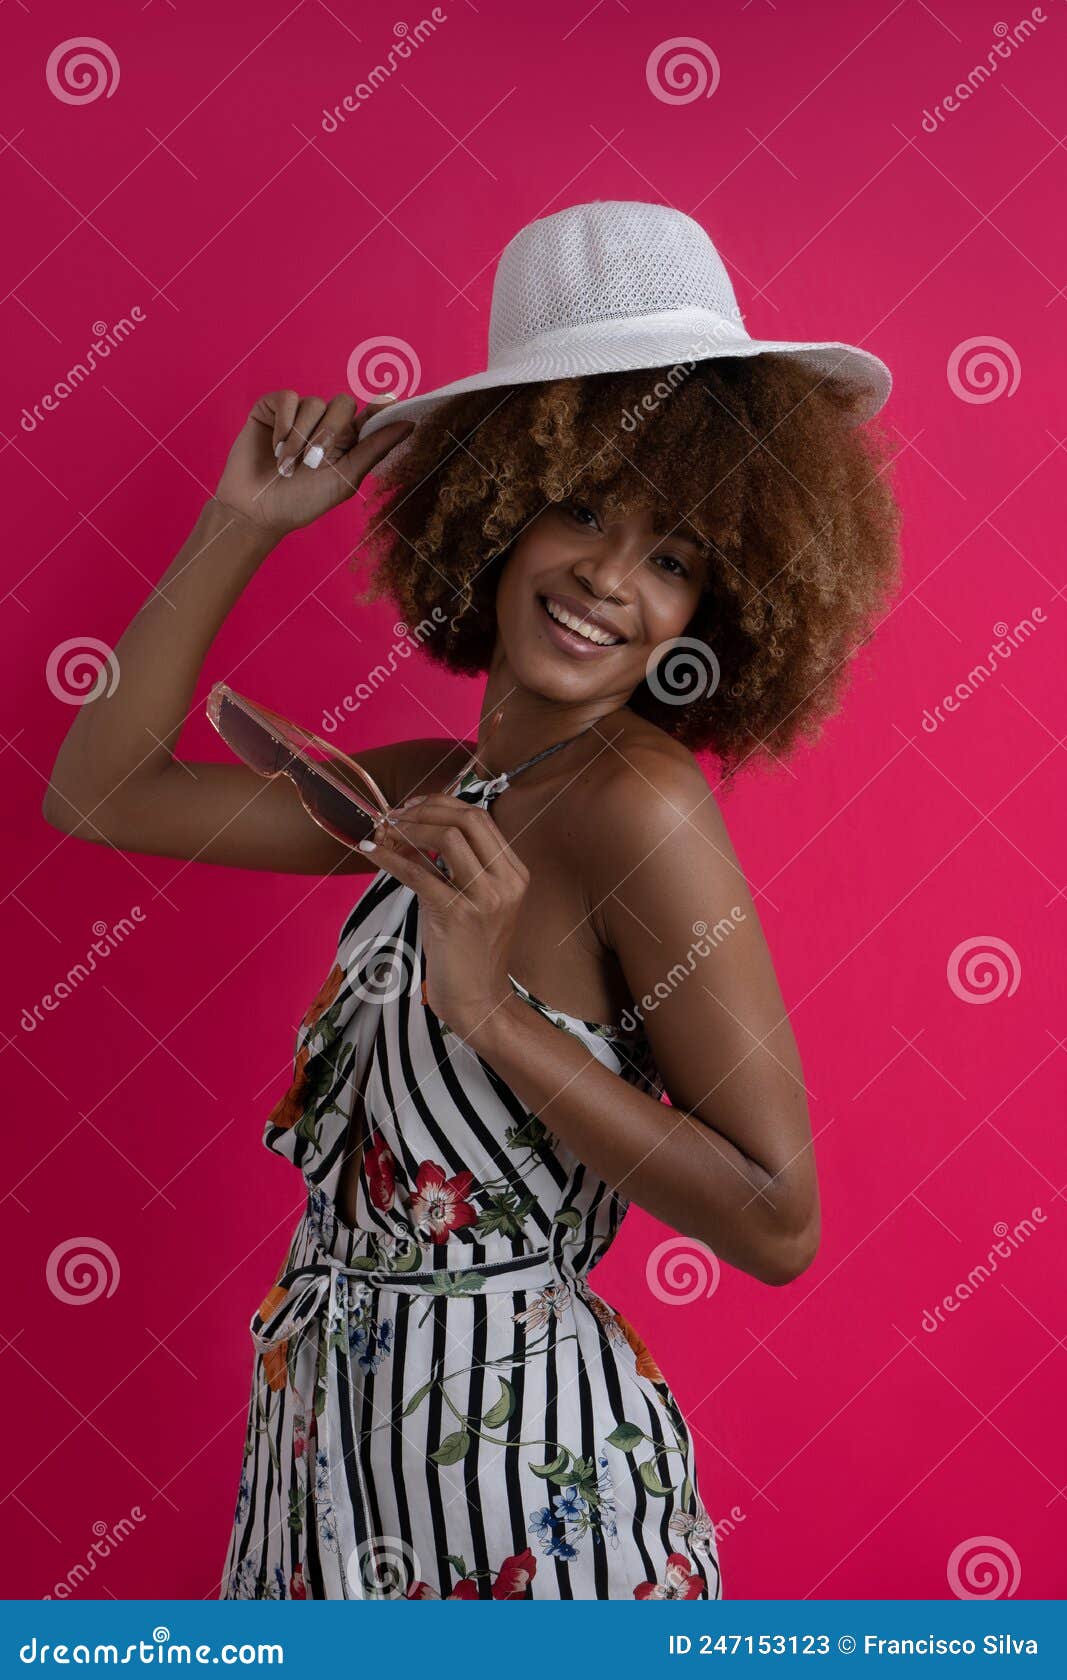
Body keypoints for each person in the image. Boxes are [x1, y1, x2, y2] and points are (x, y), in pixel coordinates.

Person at [43, 201, 902, 1600]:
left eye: (676, 556)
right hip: (328, 1455)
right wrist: (240, 522)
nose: (613, 581)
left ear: (720, 604)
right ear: (501, 502)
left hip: (523, 1500)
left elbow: (778, 1218)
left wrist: (489, 1013)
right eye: (583, 507)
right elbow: (102, 791)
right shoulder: (438, 785)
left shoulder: (642, 803)